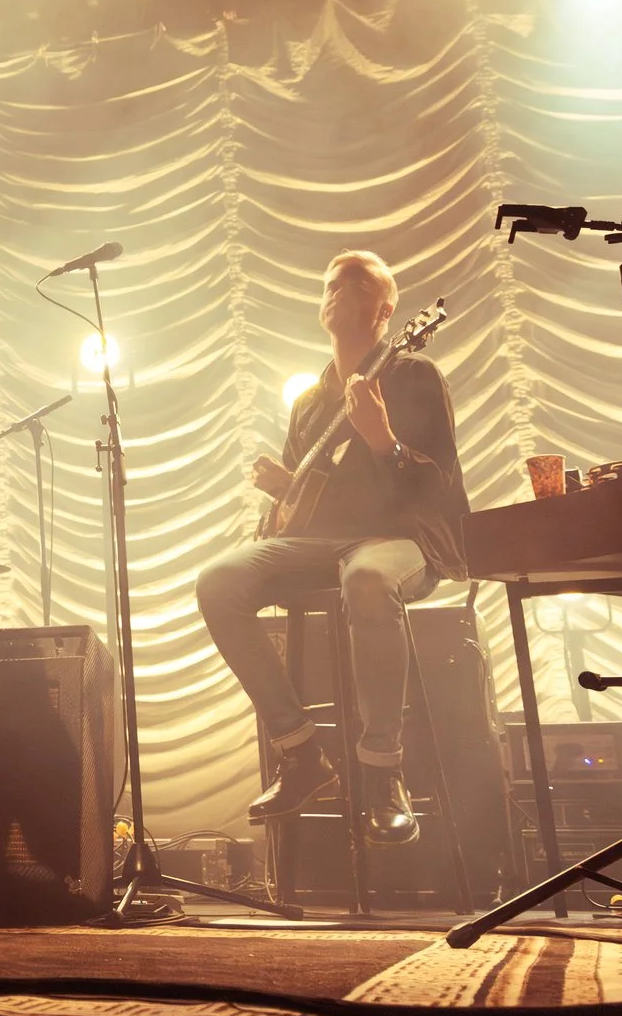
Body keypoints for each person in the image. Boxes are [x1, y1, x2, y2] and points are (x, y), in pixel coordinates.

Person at [195, 251, 467, 847]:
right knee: (217, 580)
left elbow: (438, 484)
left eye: (353, 284)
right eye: (329, 282)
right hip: (318, 543)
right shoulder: (311, 401)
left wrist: (385, 441)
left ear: (387, 311)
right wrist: (285, 486)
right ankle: (301, 754)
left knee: (366, 579)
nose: (335, 290)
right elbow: (312, 498)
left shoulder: (414, 375)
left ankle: (381, 770)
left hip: (402, 541)